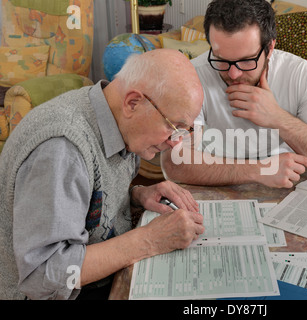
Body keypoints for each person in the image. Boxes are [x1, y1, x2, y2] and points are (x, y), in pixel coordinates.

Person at [0, 49, 205, 300]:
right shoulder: (62, 149)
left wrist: (137, 195)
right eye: (174, 128)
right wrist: (150, 240)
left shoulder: (117, 117)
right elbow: (43, 276)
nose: (176, 143)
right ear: (133, 102)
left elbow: (84, 199)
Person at [161, 0, 307, 189]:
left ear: (269, 48)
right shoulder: (192, 78)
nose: (234, 74)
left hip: (284, 186)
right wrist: (259, 170)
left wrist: (277, 118)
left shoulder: (301, 75)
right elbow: (173, 163)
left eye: (246, 61)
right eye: (221, 60)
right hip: (214, 187)